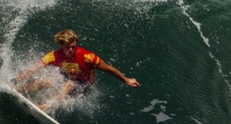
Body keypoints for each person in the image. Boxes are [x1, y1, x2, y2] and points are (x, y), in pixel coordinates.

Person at [11, 29, 140, 111]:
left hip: (84, 86)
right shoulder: (54, 56)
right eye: (68, 47)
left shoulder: (87, 57)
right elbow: (33, 69)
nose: (71, 50)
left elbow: (108, 69)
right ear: (61, 45)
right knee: (47, 81)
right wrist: (15, 80)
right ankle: (16, 89)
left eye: (73, 47)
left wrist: (126, 79)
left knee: (69, 84)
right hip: (67, 78)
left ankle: (46, 108)